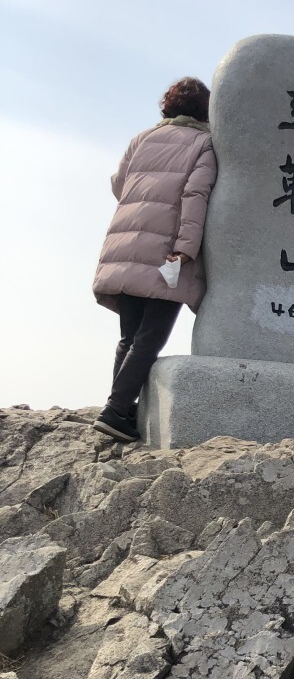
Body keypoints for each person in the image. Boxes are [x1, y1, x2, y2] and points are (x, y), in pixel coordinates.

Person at [91, 77, 218, 442]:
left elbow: (119, 185)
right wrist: (186, 248)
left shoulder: (142, 138)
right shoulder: (204, 143)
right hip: (167, 252)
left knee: (129, 336)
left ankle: (120, 409)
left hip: (125, 245)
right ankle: (116, 409)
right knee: (150, 337)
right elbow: (196, 195)